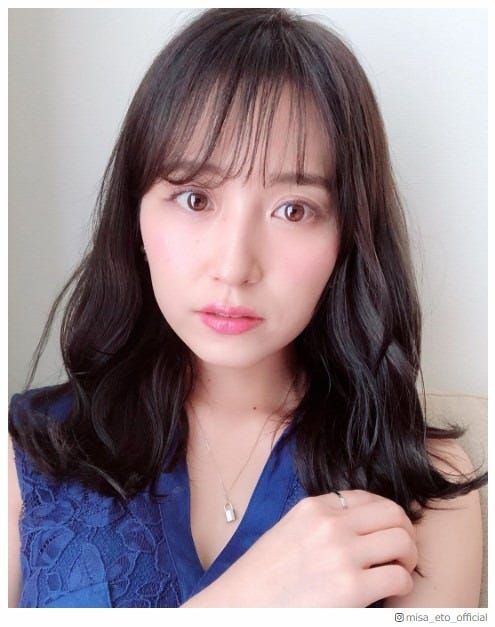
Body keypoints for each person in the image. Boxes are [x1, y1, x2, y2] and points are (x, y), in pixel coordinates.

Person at [8, 8, 486, 608]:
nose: (235, 267)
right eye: (194, 198)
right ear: (135, 216)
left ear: (347, 237)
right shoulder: (27, 451)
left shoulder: (427, 487)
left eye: (294, 210)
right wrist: (248, 600)